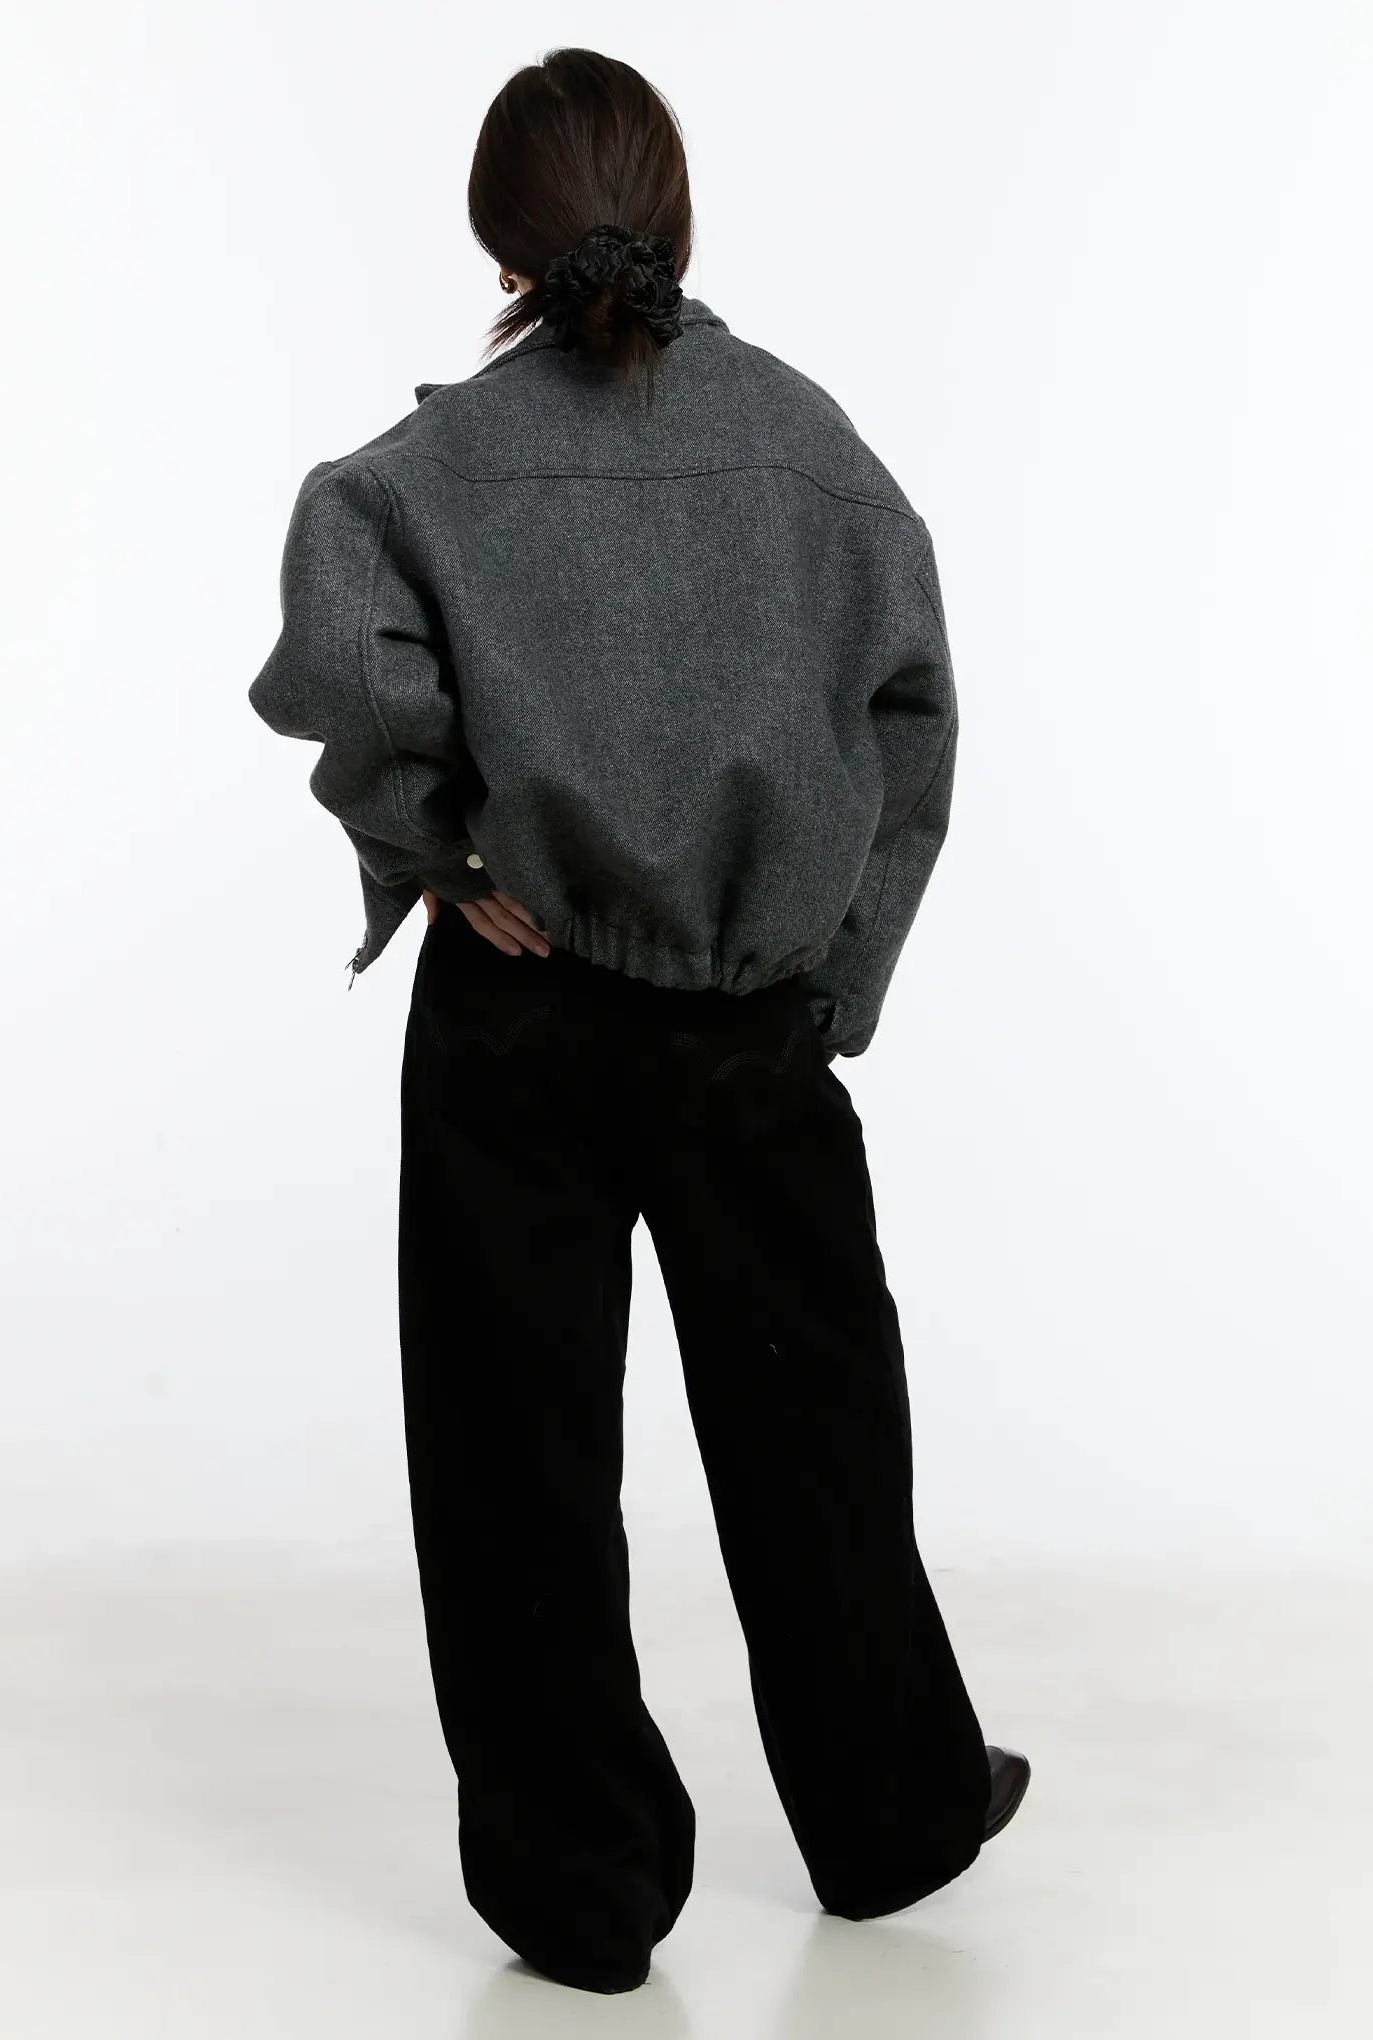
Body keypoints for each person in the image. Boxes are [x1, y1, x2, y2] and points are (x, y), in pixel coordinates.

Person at [248, 44, 1029, 1998]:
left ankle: (579, 1891)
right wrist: (837, 963)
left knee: (511, 1460)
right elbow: (914, 719)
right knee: (817, 1433)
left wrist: (433, 848)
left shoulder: (420, 474)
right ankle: (893, 1814)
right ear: (677, 212)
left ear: (494, 239)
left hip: (514, 1017)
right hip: (747, 1026)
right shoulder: (812, 448)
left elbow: (344, 659)